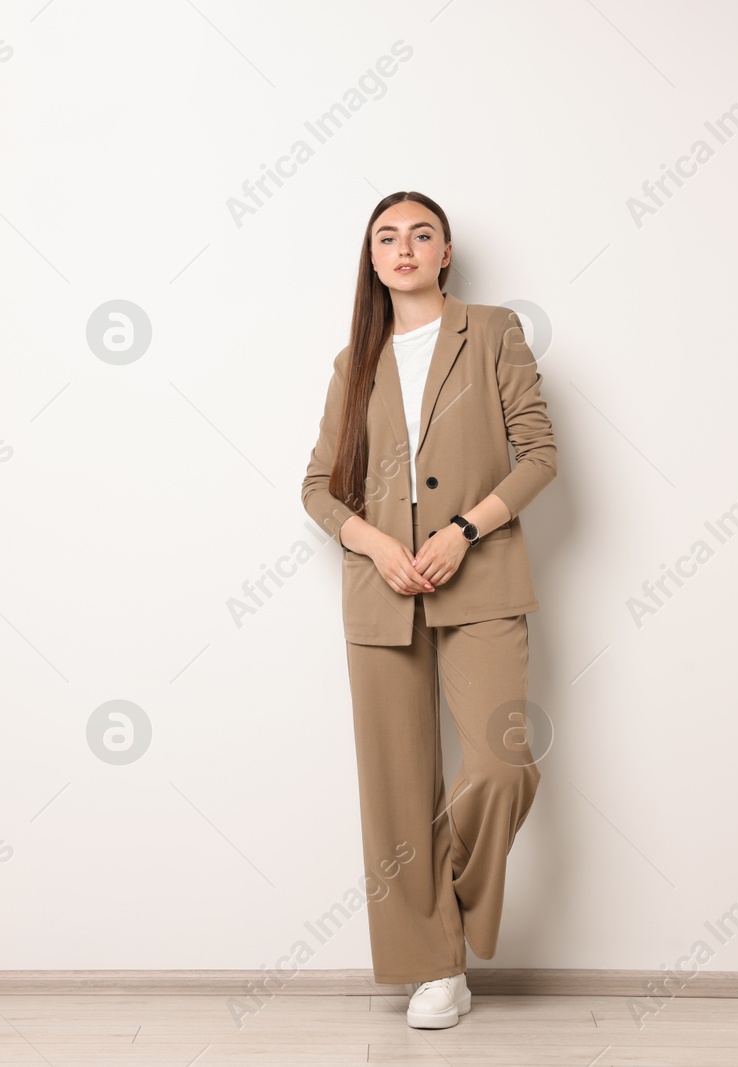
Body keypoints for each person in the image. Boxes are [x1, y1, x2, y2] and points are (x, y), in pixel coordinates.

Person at [300, 191, 557, 1029]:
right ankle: (434, 967)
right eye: (387, 237)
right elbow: (318, 489)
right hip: (382, 593)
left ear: (445, 252)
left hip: (477, 577)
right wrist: (376, 545)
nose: (404, 247)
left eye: (421, 234)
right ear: (372, 260)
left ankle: (432, 907)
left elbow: (540, 455)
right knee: (396, 786)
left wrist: (461, 530)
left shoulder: (492, 332)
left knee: (503, 760)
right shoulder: (355, 362)